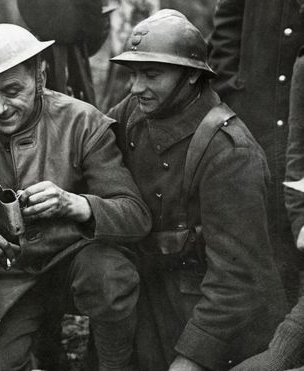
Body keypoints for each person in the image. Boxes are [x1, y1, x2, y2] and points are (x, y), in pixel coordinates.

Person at [0, 23, 152, 371]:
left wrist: (75, 204)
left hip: (77, 266)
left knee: (110, 277)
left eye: (11, 91)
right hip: (10, 283)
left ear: (40, 75)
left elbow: (135, 217)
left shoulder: (82, 123)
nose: (0, 107)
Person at [107, 9, 288, 371]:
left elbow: (238, 280)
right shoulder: (135, 111)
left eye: (152, 74)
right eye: (134, 74)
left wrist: (192, 357)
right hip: (148, 291)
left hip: (212, 314)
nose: (136, 87)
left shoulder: (230, 153)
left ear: (191, 76)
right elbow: (86, 142)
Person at [208, 0, 304, 305]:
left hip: (299, 113)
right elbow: (226, 27)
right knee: (264, 223)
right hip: (258, 109)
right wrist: (233, 88)